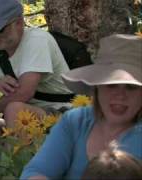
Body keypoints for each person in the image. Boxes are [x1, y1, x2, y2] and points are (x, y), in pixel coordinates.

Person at [20, 34, 142, 179]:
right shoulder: (76, 121)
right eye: (111, 85)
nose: (120, 95)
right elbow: (37, 171)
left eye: (131, 87)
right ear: (97, 87)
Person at [0, 0, 73, 128]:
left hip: (61, 112)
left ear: (19, 23)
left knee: (15, 110)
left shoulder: (37, 40)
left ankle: (17, 147)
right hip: (29, 115)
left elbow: (24, 93)